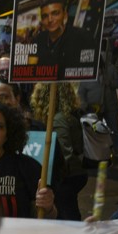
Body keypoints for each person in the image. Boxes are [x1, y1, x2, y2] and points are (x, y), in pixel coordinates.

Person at [30, 83, 86, 220]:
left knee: (67, 214)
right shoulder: (67, 115)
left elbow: (65, 151)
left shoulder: (58, 120)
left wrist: (56, 176)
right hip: (75, 172)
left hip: (68, 176)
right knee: (71, 209)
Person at [34, 0, 96, 73]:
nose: (50, 20)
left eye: (55, 13)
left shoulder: (83, 36)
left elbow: (88, 69)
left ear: (65, 15)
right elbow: (31, 69)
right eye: (45, 16)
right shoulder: (39, 38)